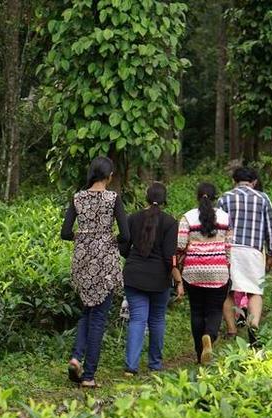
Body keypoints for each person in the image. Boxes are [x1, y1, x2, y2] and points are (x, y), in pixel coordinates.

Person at [60, 156, 127, 388]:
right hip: (105, 262)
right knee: (98, 318)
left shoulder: (77, 198)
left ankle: (76, 357)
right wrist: (108, 240)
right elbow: (126, 235)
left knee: (87, 312)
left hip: (82, 261)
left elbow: (65, 232)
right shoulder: (113, 198)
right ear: (109, 176)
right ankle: (88, 376)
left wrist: (85, 237)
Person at [119, 182, 180, 375]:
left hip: (133, 276)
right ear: (165, 200)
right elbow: (169, 256)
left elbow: (123, 248)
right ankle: (155, 364)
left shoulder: (132, 218)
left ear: (146, 197)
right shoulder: (170, 222)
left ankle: (131, 366)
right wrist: (178, 281)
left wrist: (135, 261)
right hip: (159, 278)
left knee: (137, 319)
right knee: (157, 320)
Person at [218, 168, 272, 345]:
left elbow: (219, 226)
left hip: (229, 250)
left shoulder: (224, 198)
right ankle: (253, 326)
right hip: (253, 250)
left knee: (228, 291)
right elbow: (270, 228)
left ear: (233, 181)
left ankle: (231, 330)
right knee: (254, 291)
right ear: (254, 182)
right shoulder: (263, 198)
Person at [176, 183, 232, 364]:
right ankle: (210, 335)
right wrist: (227, 266)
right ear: (215, 197)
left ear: (197, 196)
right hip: (218, 271)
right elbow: (228, 247)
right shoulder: (224, 217)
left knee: (197, 311)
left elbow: (180, 245)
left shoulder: (188, 217)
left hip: (193, 272)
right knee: (215, 309)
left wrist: (179, 265)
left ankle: (200, 353)